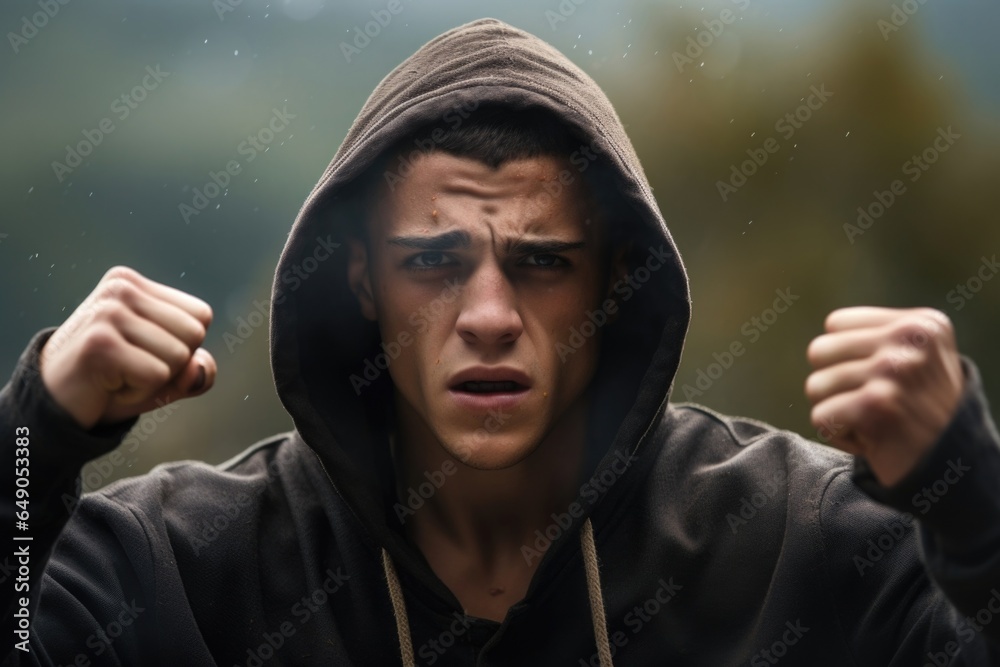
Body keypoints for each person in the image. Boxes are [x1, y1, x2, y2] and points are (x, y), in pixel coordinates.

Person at [3, 17, 1000, 666]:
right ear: (361, 279)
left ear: (616, 278)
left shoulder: (799, 538)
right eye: (434, 263)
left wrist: (974, 502)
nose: (486, 314)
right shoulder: (179, 565)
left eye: (541, 262)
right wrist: (33, 439)